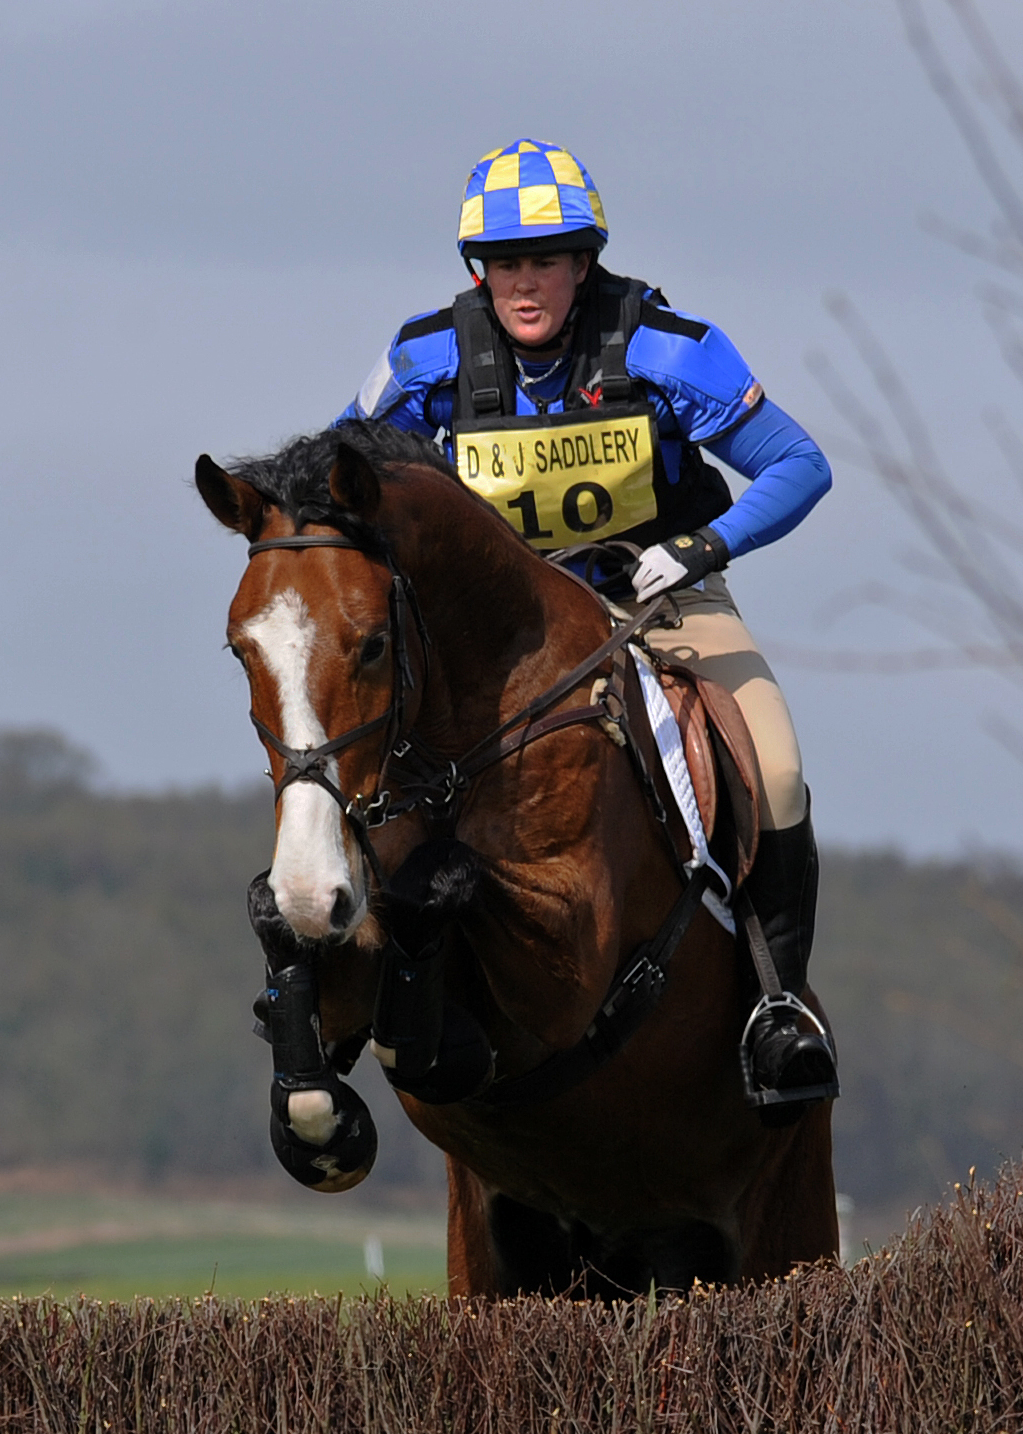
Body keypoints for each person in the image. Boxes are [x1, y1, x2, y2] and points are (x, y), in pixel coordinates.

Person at [338, 139, 836, 1117]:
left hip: (658, 601)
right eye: (503, 264)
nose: (522, 284)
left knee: (774, 769)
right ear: (477, 271)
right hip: (499, 631)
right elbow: (337, 480)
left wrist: (704, 545)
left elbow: (798, 464)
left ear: (583, 262)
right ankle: (345, 1001)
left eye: (544, 260)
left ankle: (776, 1008)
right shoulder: (425, 358)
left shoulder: (666, 349)